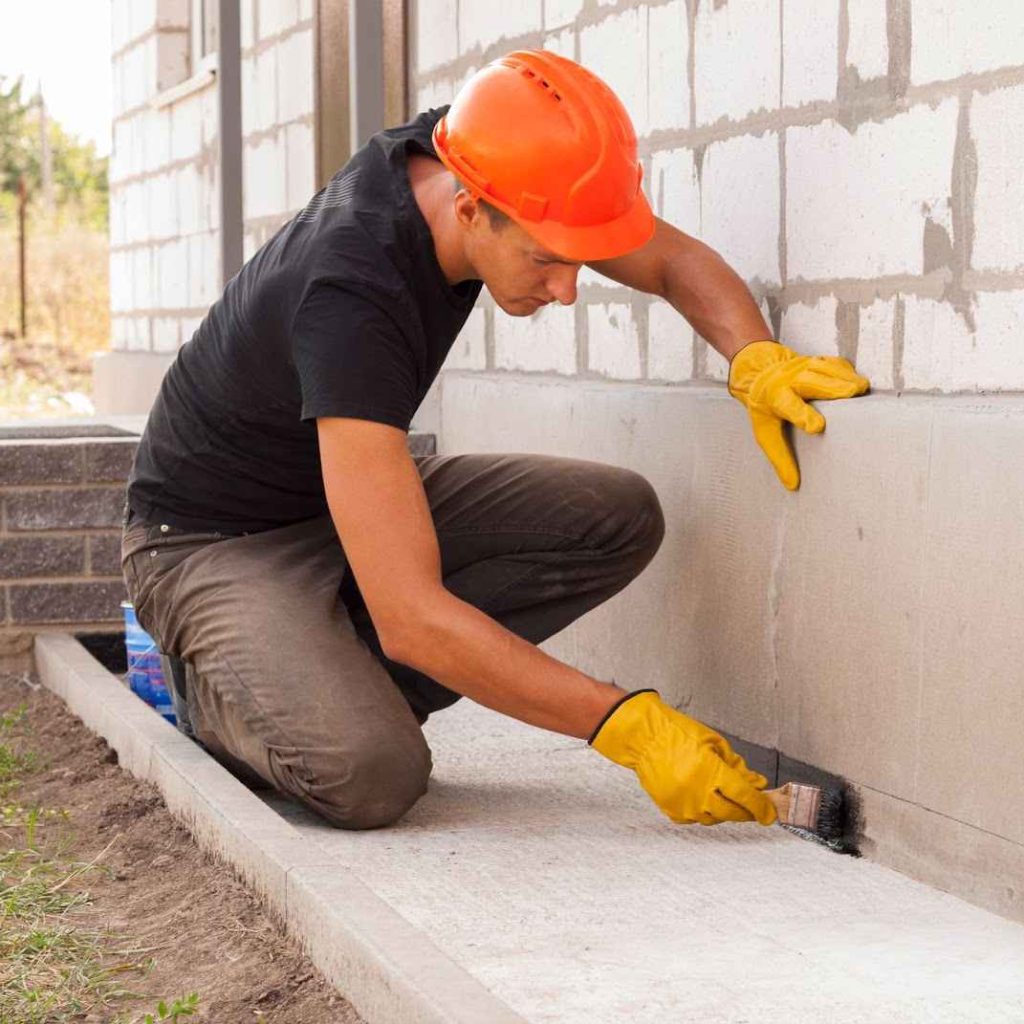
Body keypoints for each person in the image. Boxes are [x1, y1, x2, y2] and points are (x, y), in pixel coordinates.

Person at [120, 49, 869, 832]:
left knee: (612, 514)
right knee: (369, 774)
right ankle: (222, 692)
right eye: (547, 260)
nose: (568, 288)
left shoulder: (484, 159)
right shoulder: (350, 298)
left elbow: (671, 260)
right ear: (470, 208)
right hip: (208, 543)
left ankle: (335, 678)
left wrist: (754, 357)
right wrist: (627, 726)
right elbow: (410, 616)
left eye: (577, 259)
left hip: (331, 504)